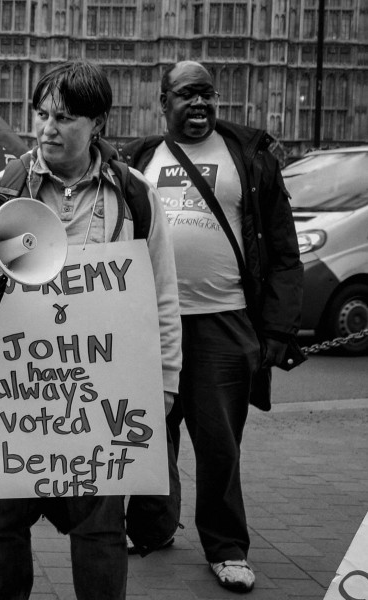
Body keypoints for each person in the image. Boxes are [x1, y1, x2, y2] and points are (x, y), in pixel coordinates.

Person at [0, 60, 182, 600]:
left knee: (100, 529)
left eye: (65, 117)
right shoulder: (4, 190)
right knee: (2, 525)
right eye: (41, 114)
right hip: (16, 388)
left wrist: (165, 383)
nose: (47, 128)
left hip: (99, 390)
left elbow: (163, 295)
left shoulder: (135, 195)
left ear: (97, 123)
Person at [122, 60, 304, 593]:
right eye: (186, 95)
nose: (198, 103)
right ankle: (152, 526)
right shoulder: (142, 159)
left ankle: (227, 547)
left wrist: (277, 332)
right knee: (152, 434)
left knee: (219, 444)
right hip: (154, 322)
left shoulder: (250, 158)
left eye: (206, 94)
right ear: (163, 103)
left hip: (224, 321)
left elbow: (284, 251)